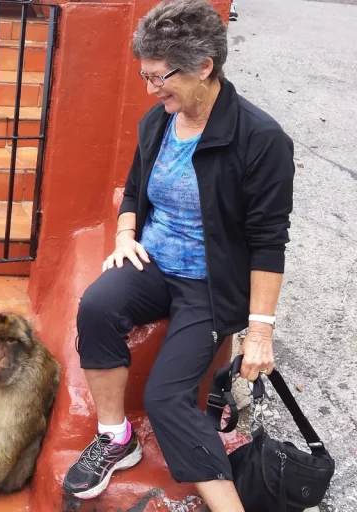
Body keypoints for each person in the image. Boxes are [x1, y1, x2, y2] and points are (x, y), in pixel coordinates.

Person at [61, 1, 294, 510]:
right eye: (144, 77)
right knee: (97, 307)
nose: (150, 90)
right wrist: (126, 237)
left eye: (160, 77)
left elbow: (268, 239)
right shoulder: (159, 121)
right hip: (154, 262)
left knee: (165, 398)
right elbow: (135, 189)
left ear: (204, 67)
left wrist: (259, 330)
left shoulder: (261, 139)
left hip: (210, 285)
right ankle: (115, 437)